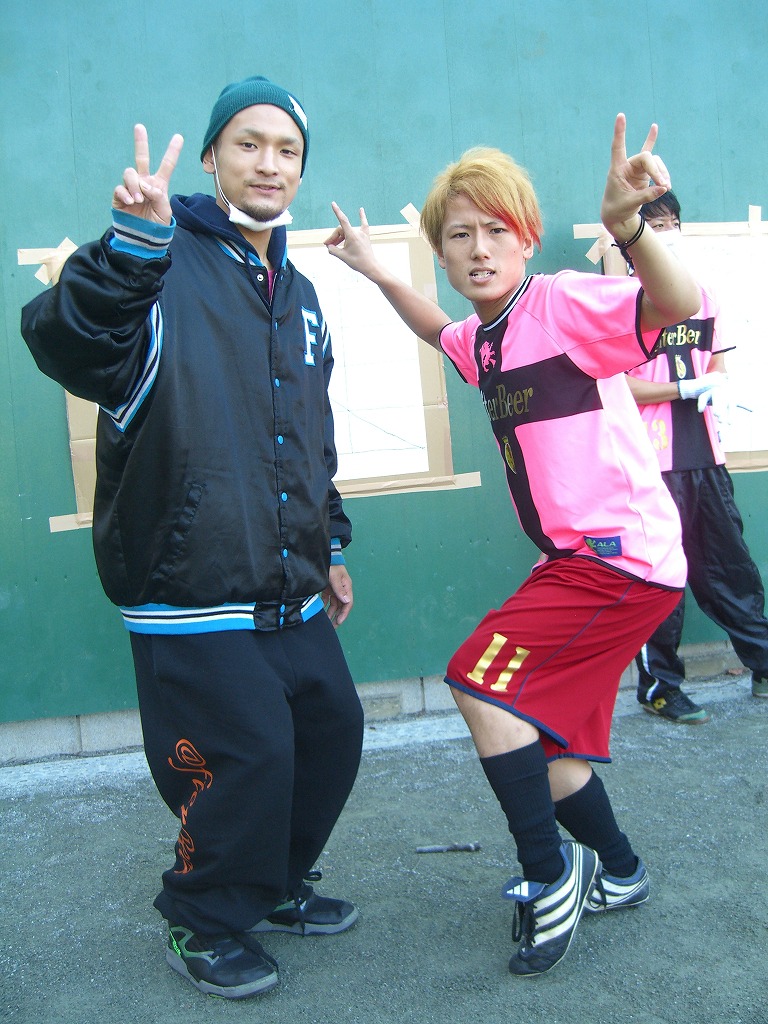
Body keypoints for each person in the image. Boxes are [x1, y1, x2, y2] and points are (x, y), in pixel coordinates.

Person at [324, 115, 700, 977]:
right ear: (443, 254)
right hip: (581, 562)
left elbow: (675, 304)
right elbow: (438, 332)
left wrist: (631, 228)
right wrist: (379, 270)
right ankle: (622, 872)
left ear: (527, 239)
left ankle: (549, 873)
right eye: (460, 236)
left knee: (479, 680)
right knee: (544, 744)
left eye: (497, 230)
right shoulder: (484, 337)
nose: (479, 248)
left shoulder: (560, 303)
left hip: (620, 559)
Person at [20, 75, 364, 1000]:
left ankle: (274, 882)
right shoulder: (157, 263)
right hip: (191, 584)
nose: (269, 163)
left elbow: (312, 433)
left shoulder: (299, 292)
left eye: (287, 149)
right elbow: (64, 339)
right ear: (212, 156)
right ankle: (203, 918)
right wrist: (131, 248)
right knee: (248, 757)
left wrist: (330, 544)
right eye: (248, 143)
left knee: (331, 734)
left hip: (289, 580)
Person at [625, 191, 768, 724]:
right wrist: (683, 389)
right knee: (660, 579)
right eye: (653, 224)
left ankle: (764, 664)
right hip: (647, 466)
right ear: (629, 237)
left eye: (672, 223)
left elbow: (718, 366)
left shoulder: (705, 298)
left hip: (706, 457)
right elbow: (614, 387)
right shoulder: (618, 302)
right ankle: (660, 688)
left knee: (731, 568)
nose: (667, 233)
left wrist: (714, 387)